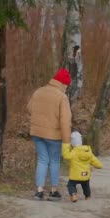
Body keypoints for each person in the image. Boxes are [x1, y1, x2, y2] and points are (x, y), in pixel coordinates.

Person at [27, 68, 72, 201]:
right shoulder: (62, 97)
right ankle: (53, 191)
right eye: (67, 86)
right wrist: (67, 141)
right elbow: (65, 121)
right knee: (54, 161)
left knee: (42, 160)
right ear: (63, 84)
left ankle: (39, 191)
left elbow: (29, 108)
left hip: (37, 132)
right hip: (53, 135)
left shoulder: (39, 91)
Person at [62, 131, 103, 202]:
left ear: (72, 143)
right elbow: (94, 160)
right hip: (85, 174)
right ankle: (88, 196)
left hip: (75, 175)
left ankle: (74, 194)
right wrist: (99, 165)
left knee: (70, 185)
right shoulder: (87, 151)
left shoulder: (74, 152)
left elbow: (66, 155)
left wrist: (66, 144)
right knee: (86, 185)